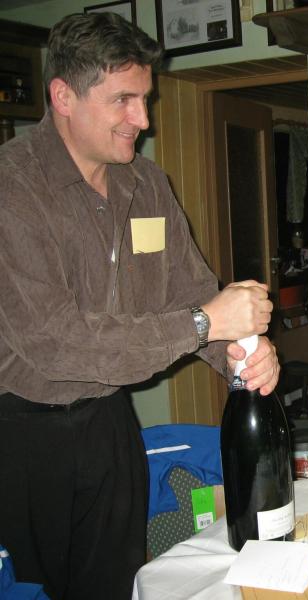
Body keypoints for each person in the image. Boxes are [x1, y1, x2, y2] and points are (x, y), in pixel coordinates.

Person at [0, 13, 279, 600]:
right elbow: (54, 342)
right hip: (22, 437)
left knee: (118, 586)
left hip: (109, 424)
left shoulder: (147, 185)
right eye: (122, 101)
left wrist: (243, 354)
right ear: (63, 97)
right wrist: (205, 323)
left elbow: (193, 295)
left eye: (144, 99)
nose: (143, 120)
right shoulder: (13, 187)